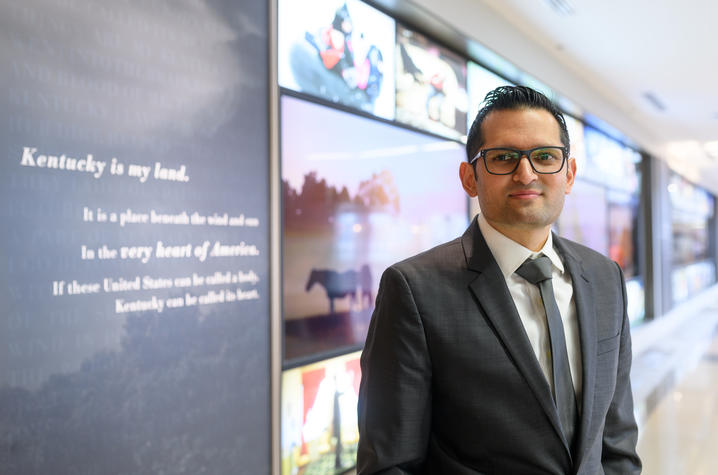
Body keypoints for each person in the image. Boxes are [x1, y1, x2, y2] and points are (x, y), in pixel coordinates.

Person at [357, 85, 641, 474]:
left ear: (569, 173)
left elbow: (617, 440)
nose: (526, 173)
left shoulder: (605, 277)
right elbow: (390, 463)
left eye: (544, 156)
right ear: (469, 177)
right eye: (504, 158)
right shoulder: (415, 290)